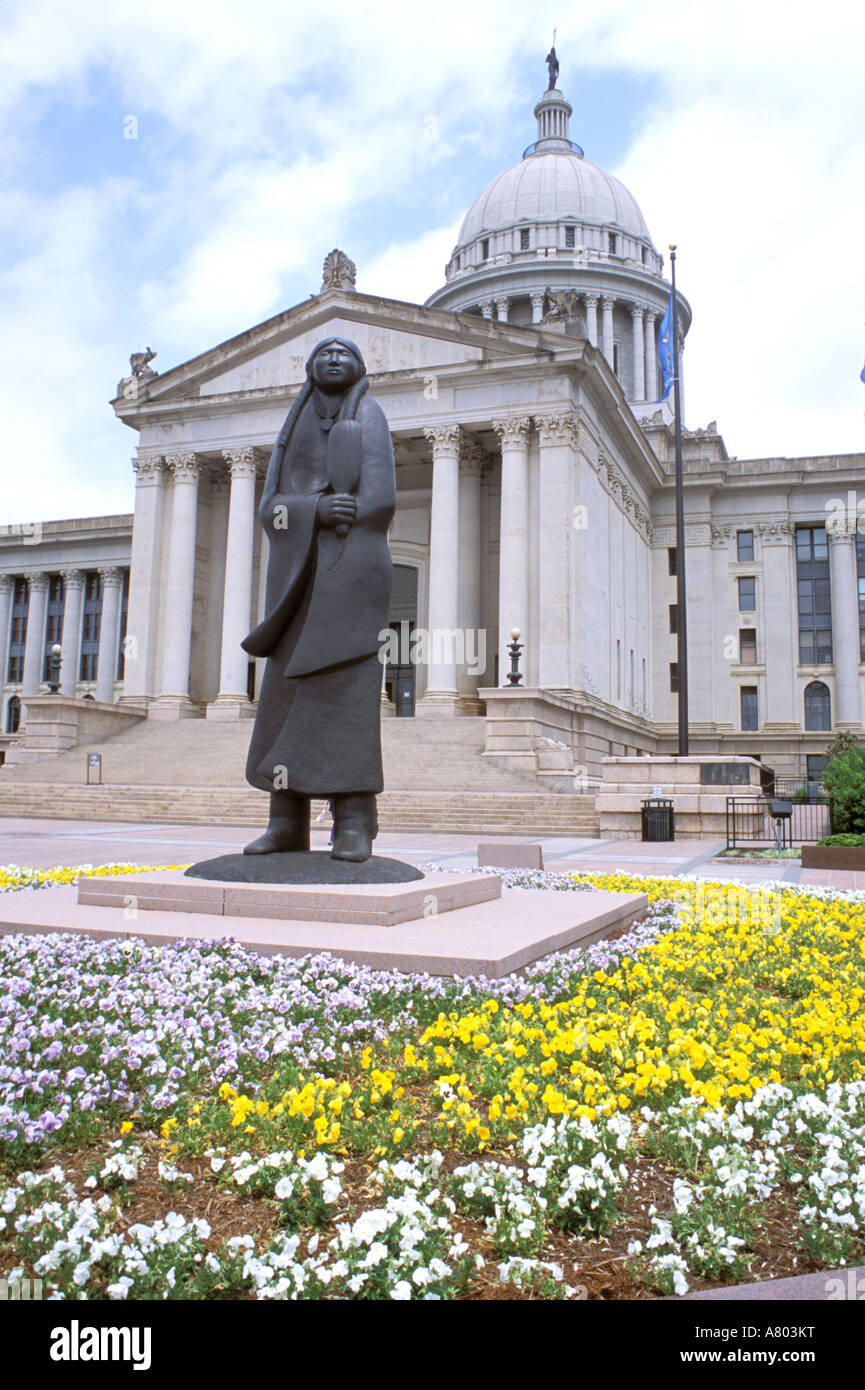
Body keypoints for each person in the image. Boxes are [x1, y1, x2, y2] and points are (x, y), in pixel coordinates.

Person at [240, 337, 395, 862]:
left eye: (344, 353)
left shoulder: (369, 416)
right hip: (296, 582)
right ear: (309, 367)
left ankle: (353, 821)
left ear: (359, 368)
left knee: (346, 700)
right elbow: (270, 509)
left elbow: (381, 497)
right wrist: (315, 514)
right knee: (283, 700)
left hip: (349, 579)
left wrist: (347, 515)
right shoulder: (292, 427)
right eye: (323, 352)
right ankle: (285, 821)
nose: (333, 358)